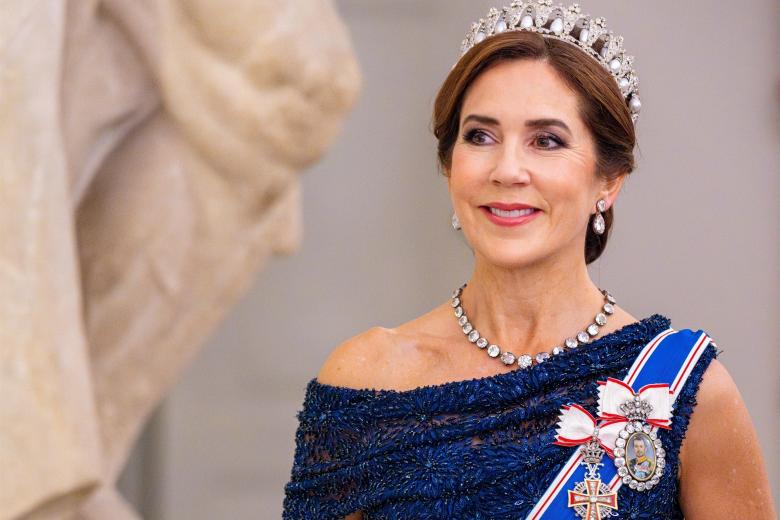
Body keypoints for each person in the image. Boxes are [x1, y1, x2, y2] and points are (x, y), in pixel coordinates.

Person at [282, 2, 776, 518]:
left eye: (546, 141)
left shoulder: (684, 392)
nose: (508, 169)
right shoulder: (366, 381)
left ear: (608, 181)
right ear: (449, 165)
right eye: (480, 136)